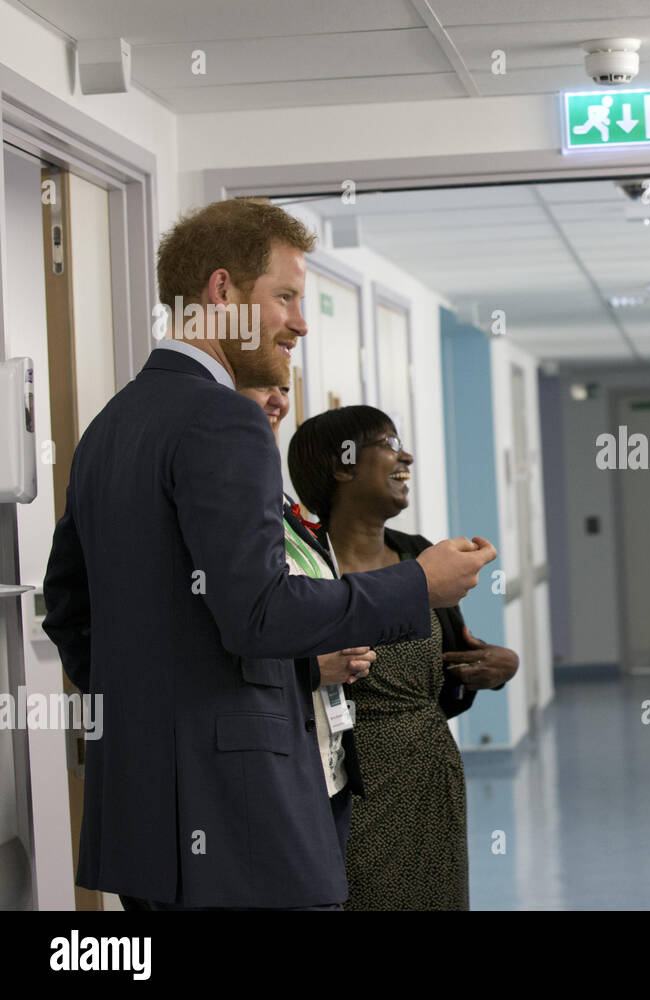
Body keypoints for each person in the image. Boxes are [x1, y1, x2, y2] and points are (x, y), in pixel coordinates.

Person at [42, 198, 497, 910]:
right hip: (240, 824)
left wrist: (152, 714)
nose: (301, 322)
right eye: (284, 296)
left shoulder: (112, 423)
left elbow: (69, 608)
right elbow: (259, 612)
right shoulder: (223, 417)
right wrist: (418, 584)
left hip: (145, 821)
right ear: (222, 292)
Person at [288, 405, 518, 910]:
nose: (405, 457)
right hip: (349, 785)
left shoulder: (421, 557)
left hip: (432, 777)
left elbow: (457, 662)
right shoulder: (307, 573)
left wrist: (500, 668)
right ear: (343, 466)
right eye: (389, 444)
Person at [239, 383, 376, 861]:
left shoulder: (284, 509)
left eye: (283, 388)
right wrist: (313, 668)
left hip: (329, 763)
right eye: (261, 387)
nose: (279, 401)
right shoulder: (218, 513)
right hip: (270, 774)